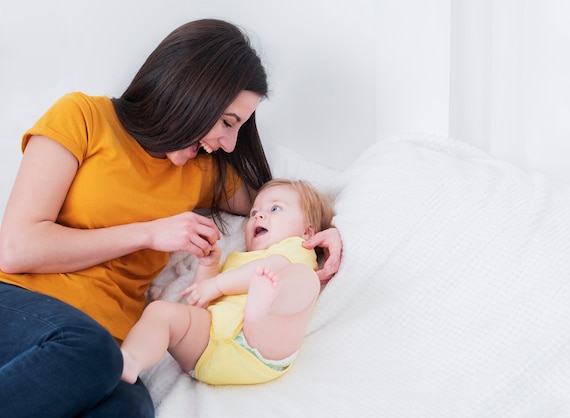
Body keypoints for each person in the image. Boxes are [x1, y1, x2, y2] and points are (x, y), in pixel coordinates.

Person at [0, 19, 342, 418]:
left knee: (131, 407)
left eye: (239, 128)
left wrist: (325, 231)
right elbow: (15, 249)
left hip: (106, 352)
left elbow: (282, 202)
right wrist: (148, 234)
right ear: (191, 93)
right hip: (23, 307)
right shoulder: (84, 117)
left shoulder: (202, 172)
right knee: (88, 349)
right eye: (228, 122)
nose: (229, 144)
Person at [120, 178, 334, 385]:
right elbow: (200, 302)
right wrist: (208, 267)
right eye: (253, 213)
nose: (259, 216)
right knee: (160, 312)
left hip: (261, 348)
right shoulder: (236, 261)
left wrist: (217, 284)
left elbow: (270, 268)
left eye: (274, 209)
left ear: (307, 231)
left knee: (305, 279)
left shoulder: (297, 248)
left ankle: (261, 312)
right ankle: (129, 361)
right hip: (207, 350)